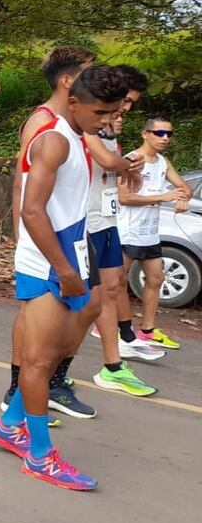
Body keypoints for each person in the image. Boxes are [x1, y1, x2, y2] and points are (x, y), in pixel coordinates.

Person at [0, 64, 130, 490]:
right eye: (101, 112)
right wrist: (65, 270)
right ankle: (39, 454)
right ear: (73, 103)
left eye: (114, 112)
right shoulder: (53, 140)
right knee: (38, 362)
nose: (107, 121)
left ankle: (10, 425)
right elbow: (32, 210)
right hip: (48, 264)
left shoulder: (78, 137)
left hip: (73, 256)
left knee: (70, 336)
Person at [84, 67, 159, 395]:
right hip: (86, 220)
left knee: (112, 288)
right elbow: (105, 160)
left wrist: (129, 169)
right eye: (125, 100)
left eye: (131, 103)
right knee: (84, 302)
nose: (127, 108)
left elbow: (113, 166)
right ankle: (43, 376)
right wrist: (129, 165)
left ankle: (114, 364)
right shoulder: (91, 122)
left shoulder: (113, 127)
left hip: (108, 216)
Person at [117, 117, 193, 350]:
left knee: (156, 279)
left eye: (169, 134)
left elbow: (185, 188)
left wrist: (182, 198)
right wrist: (163, 197)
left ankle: (147, 331)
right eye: (159, 133)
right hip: (127, 231)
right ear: (145, 134)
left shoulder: (162, 162)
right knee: (118, 282)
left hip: (149, 233)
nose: (165, 138)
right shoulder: (131, 161)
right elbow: (124, 198)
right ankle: (120, 330)